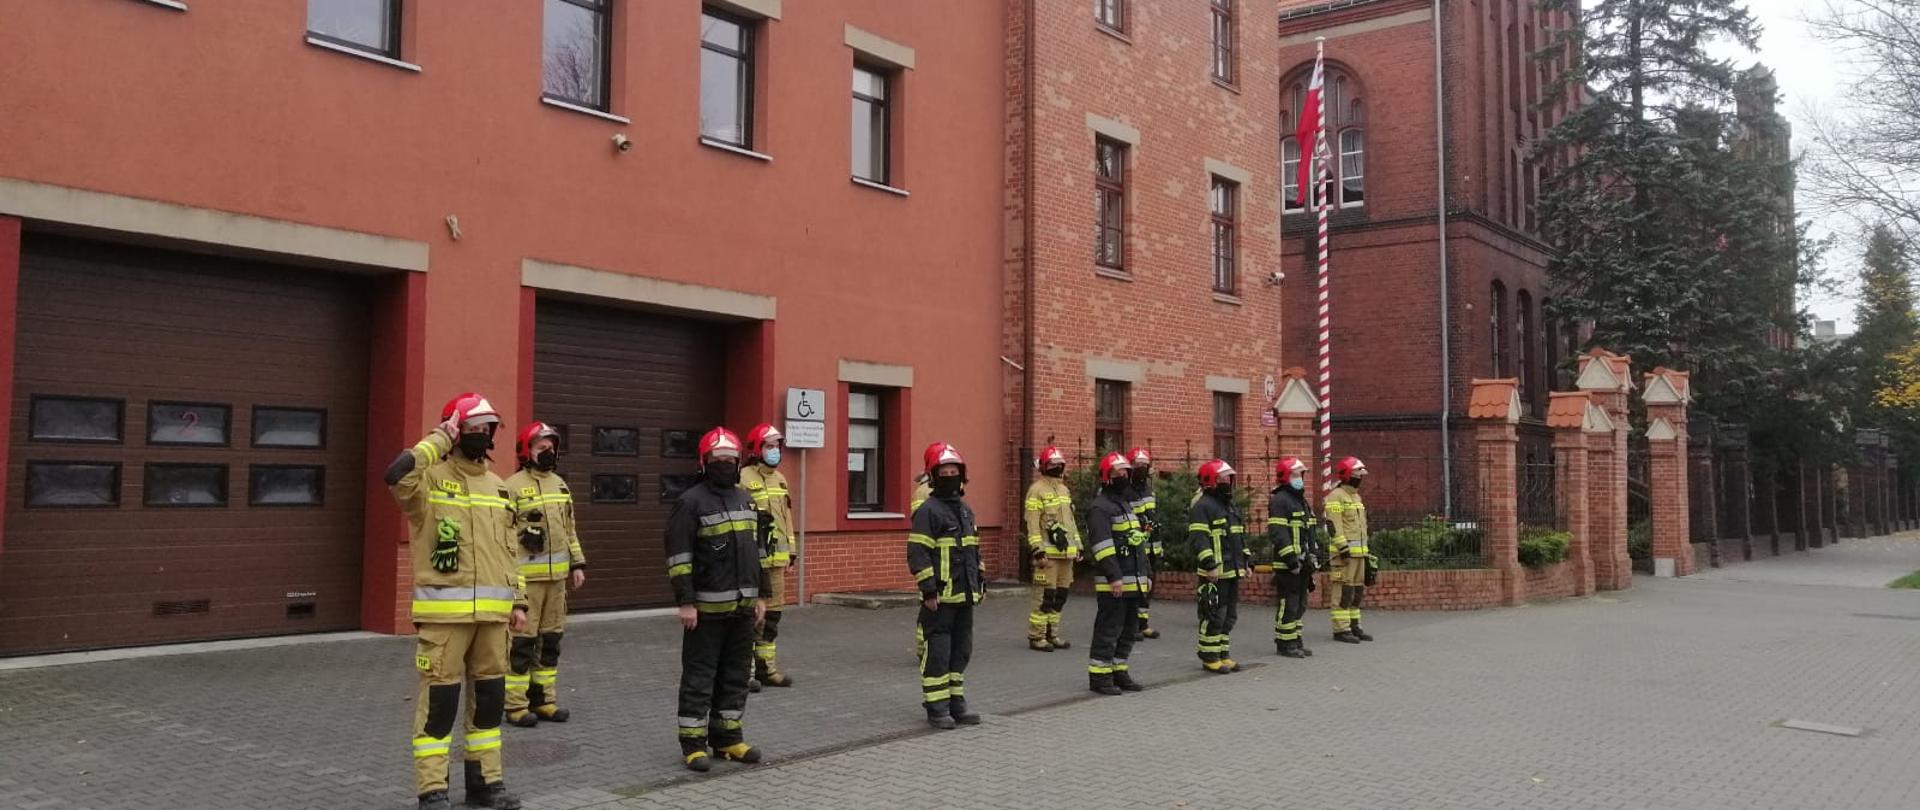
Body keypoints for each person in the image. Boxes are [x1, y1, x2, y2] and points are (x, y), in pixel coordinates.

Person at [385, 392, 528, 810]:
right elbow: (396, 475)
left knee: (488, 707)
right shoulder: (428, 479)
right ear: (455, 429)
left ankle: (486, 784)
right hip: (444, 623)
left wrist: (518, 602)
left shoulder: (500, 488)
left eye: (488, 428)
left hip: (492, 622)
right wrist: (437, 440)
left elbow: (510, 553)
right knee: (439, 708)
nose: (482, 434)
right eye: (473, 427)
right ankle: (433, 791)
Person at [667, 427, 770, 772]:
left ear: (739, 462)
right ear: (704, 462)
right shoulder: (690, 502)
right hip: (706, 611)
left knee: (736, 676)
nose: (723, 464)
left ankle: (727, 739)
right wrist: (685, 602)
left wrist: (762, 596)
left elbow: (758, 553)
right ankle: (693, 745)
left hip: (742, 609)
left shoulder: (745, 499)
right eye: (717, 459)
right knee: (700, 678)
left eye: (729, 459)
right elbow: (679, 557)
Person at [502, 422, 586, 728]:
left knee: (550, 643)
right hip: (526, 583)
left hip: (556, 582)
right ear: (527, 451)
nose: (549, 453)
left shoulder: (560, 486)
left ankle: (544, 700)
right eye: (542, 448)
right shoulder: (511, 487)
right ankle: (515, 705)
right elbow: (505, 537)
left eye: (552, 448)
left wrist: (577, 564)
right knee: (522, 645)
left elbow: (569, 530)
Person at [907, 442, 985, 730]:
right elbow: (918, 553)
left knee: (961, 651)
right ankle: (936, 706)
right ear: (934, 475)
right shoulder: (929, 511)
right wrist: (928, 590)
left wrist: (981, 581)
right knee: (938, 652)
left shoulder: (965, 511)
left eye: (955, 471)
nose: (951, 475)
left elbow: (974, 550)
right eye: (946, 471)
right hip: (940, 598)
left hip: (964, 595)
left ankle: (956, 702)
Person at [1086, 451, 1149, 695]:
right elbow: (1102, 547)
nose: (1123, 476)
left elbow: (1138, 543)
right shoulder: (1099, 508)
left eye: (1125, 472)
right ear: (1106, 477)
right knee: (1109, 628)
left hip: (1133, 580)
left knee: (1129, 629)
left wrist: (1147, 574)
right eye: (1117, 473)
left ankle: (1118, 669)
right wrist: (1114, 577)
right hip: (1115, 582)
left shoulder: (1125, 505)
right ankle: (1100, 676)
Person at [741, 424, 796, 689]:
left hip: (777, 561)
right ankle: (745, 672)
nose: (775, 451)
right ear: (756, 449)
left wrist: (792, 552)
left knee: (772, 618)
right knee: (752, 616)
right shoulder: (742, 478)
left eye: (777, 446)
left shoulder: (781, 479)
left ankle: (767, 670)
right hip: (752, 561)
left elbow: (786, 517)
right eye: (769, 446)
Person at [1188, 459, 1247, 674]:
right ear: (1210, 481)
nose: (1227, 482)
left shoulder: (1228, 506)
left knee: (1229, 615)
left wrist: (1245, 562)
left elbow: (1239, 537)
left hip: (1231, 571)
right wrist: (1209, 564)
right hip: (1214, 572)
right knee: (1214, 614)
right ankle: (1209, 656)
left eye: (1228, 478)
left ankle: (1223, 653)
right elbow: (1199, 539)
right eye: (1222, 478)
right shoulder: (1203, 506)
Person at [1023, 445, 1079, 652]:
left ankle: (1052, 633)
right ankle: (1036, 636)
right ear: (1045, 466)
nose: (1057, 467)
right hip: (1047, 556)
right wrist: (1037, 549)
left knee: (1060, 596)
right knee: (1045, 597)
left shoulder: (1064, 489)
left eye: (1059, 464)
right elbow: (1032, 522)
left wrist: (1078, 546)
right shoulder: (1036, 490)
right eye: (1052, 464)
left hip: (1066, 554)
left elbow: (1070, 522)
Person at [1265, 457, 1318, 658]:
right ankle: (1284, 643)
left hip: (1302, 563)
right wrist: (1291, 560)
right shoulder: (1280, 501)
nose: (1300, 479)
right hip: (1289, 565)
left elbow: (1308, 532)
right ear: (1286, 477)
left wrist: (1313, 556)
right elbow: (1278, 533)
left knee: (1300, 605)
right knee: (1289, 604)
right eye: (1296, 475)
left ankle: (1295, 640)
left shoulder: (1300, 500)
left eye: (1301, 475)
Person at [1325, 456, 1377, 643]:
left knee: (1356, 592)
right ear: (1347, 474)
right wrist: (1343, 547)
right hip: (1343, 556)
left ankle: (1355, 626)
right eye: (1358, 473)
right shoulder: (1335, 496)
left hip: (1359, 555)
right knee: (1343, 592)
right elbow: (1334, 525)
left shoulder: (1355, 496)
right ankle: (1341, 630)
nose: (1361, 477)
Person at [1124, 447, 1162, 640]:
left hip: (1151, 546)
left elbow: (1153, 515)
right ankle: (1131, 625)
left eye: (1144, 465)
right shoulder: (1125, 491)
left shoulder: (1148, 489)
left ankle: (1143, 623)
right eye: (1138, 465)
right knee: (1135, 586)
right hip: (1135, 546)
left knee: (1148, 586)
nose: (1142, 469)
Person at [909, 472, 933, 661]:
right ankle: (923, 649)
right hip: (931, 557)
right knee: (928, 608)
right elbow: (919, 522)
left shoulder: (952, 491)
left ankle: (929, 649)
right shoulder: (923, 492)